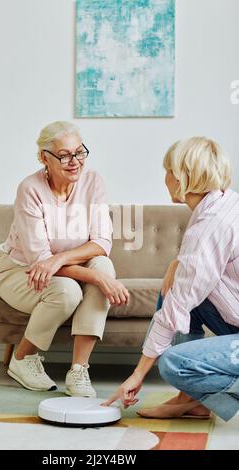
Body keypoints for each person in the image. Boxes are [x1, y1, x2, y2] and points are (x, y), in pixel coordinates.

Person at [103, 137, 239, 422]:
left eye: (167, 170)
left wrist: (137, 375)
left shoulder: (210, 226)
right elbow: (198, 273)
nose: (164, 177)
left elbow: (174, 310)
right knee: (173, 288)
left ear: (181, 178)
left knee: (174, 363)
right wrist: (176, 264)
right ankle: (190, 401)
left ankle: (196, 396)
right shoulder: (224, 202)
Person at [0, 121, 129, 397]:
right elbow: (39, 259)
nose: (74, 161)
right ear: (45, 157)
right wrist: (98, 278)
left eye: (79, 152)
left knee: (104, 264)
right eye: (64, 155)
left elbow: (101, 242)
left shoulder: (93, 181)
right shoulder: (30, 189)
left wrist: (60, 259)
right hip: (20, 271)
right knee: (69, 290)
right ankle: (22, 359)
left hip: (60, 266)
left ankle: (79, 370)